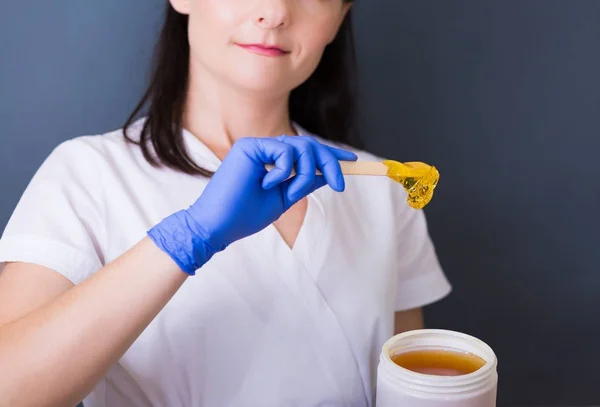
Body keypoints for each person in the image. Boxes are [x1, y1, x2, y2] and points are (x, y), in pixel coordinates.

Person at [0, 1, 451, 406]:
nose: (275, 12)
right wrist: (187, 238)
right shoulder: (86, 173)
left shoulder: (383, 185)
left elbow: (412, 383)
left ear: (340, 15)